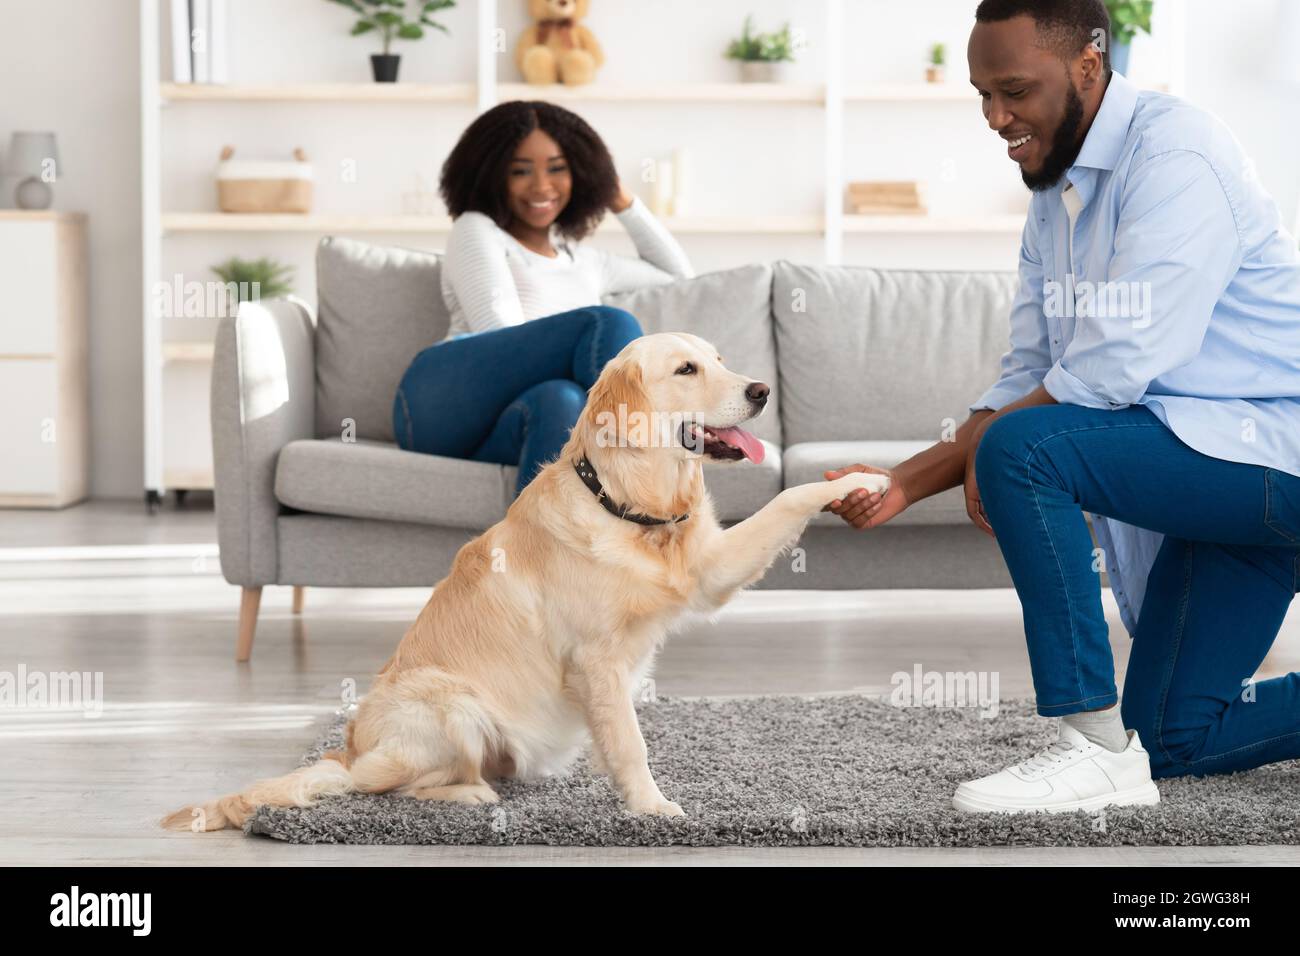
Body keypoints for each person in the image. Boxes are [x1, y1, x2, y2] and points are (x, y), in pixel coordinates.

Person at [826, 0, 1300, 813]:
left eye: (1013, 90)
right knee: (1173, 742)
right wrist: (902, 484)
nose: (994, 117)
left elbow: (1115, 367)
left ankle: (1089, 746)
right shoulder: (1056, 194)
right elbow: (1031, 371)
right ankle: (1129, 751)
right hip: (1214, 485)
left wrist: (998, 452)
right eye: (981, 94)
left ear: (1088, 62)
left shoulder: (1177, 154)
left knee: (1023, 446)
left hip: (1270, 461)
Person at [393, 100, 693, 497]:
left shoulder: (584, 259)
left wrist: (621, 199)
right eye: (520, 171)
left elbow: (679, 278)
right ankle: (645, 452)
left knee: (560, 400)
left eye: (558, 168)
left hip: (504, 425)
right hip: (439, 402)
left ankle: (541, 554)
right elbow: (499, 334)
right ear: (490, 175)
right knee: (610, 323)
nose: (541, 186)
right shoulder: (477, 230)